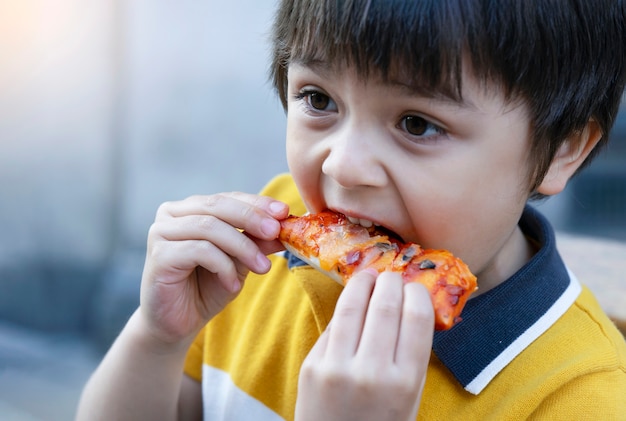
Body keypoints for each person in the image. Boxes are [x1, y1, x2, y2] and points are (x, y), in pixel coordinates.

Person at [76, 0, 626, 419]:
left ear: (562, 150)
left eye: (417, 124)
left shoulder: (581, 394)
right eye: (319, 100)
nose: (343, 165)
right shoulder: (254, 259)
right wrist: (157, 337)